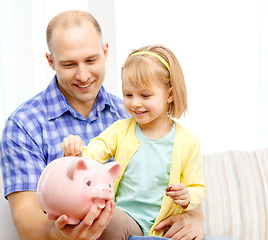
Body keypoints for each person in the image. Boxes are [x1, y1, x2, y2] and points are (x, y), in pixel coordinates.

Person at [0, 9, 217, 240]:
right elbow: (26, 222)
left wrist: (195, 217)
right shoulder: (24, 125)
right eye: (69, 64)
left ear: (105, 52)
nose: (83, 75)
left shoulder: (133, 115)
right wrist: (64, 234)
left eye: (91, 60)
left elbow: (176, 181)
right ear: (51, 61)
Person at [61, 44, 207, 239]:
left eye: (145, 95)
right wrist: (75, 152)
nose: (135, 103)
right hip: (128, 221)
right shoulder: (120, 130)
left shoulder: (188, 142)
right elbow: (89, 157)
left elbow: (198, 188)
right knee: (110, 219)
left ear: (170, 95)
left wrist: (188, 196)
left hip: (165, 229)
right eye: (128, 95)